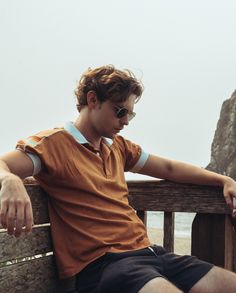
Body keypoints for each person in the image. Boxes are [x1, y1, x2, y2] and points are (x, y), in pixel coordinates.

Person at [0, 65, 236, 293]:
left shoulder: (117, 147)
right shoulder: (53, 145)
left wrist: (222, 181)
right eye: (120, 111)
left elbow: (168, 168)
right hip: (105, 266)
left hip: (150, 254)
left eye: (130, 114)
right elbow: (3, 165)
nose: (126, 121)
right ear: (92, 100)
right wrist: (10, 181)